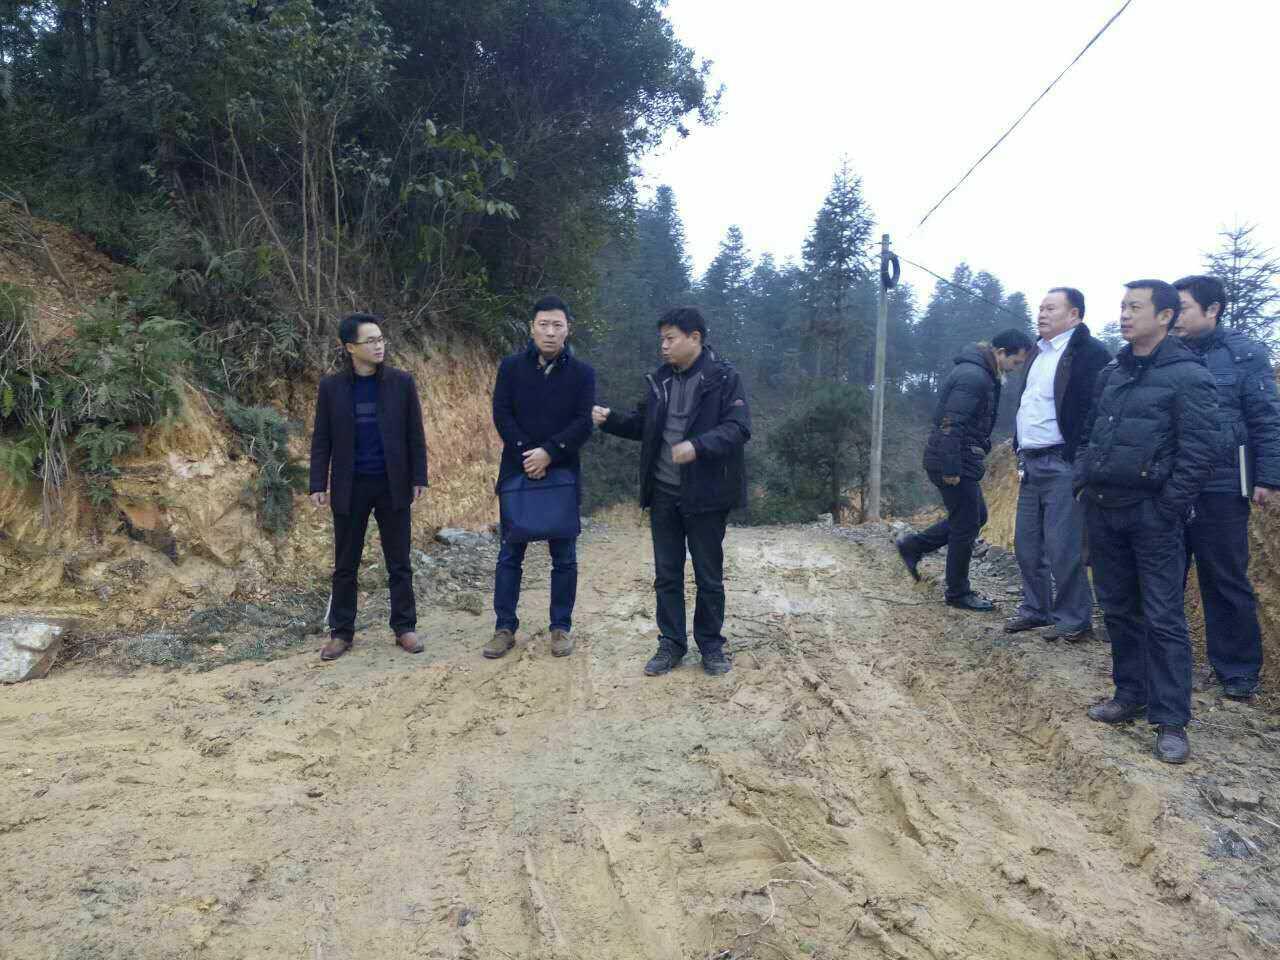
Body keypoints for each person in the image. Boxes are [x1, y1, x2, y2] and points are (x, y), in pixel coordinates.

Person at [1074, 280, 1220, 764]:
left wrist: (1166, 508)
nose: (1124, 314)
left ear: (1164, 316)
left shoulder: (1189, 375)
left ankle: (1171, 720)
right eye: (1122, 306)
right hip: (1103, 508)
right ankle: (1129, 694)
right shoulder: (1113, 372)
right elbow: (1089, 433)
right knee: (1117, 609)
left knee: (1163, 616)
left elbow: (1200, 452)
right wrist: (1083, 480)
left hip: (1153, 516)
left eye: (1135, 307)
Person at [592, 306, 750, 678]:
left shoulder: (723, 377)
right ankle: (671, 645)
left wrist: (697, 446)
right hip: (664, 493)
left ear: (695, 338)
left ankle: (710, 645)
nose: (663, 346)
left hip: (707, 496)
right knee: (667, 574)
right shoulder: (660, 379)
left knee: (708, 576)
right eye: (661, 339)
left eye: (670, 339)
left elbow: (738, 428)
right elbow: (644, 425)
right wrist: (611, 420)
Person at [1172, 274, 1280, 700]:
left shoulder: (1244, 354)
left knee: (1224, 578)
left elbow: (1266, 418)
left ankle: (1237, 671)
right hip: (1170, 485)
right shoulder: (1165, 352)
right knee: (1162, 577)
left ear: (1212, 309)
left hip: (1221, 485)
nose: (1174, 316)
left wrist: (1268, 478)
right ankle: (1162, 661)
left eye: (1182, 308)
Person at [309, 313, 429, 661]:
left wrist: (419, 476)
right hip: (351, 485)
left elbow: (415, 434)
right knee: (345, 564)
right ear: (350, 347)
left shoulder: (401, 383)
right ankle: (341, 633)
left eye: (380, 339)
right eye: (370, 341)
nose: (379, 346)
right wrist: (318, 482)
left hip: (392, 483)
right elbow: (322, 438)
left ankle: (404, 627)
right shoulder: (331, 387)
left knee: (399, 561)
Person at [484, 295, 596, 660]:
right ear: (532, 328)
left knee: (564, 556)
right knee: (509, 553)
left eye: (557, 325)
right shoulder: (511, 367)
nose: (550, 332)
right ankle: (504, 627)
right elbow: (502, 413)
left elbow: (583, 422)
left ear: (567, 329)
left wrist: (549, 452)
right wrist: (528, 453)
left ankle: (560, 627)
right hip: (517, 469)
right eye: (543, 324)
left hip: (562, 472)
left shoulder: (583, 374)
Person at [895, 329, 1034, 610]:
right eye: (1016, 362)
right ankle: (957, 592)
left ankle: (914, 546)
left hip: (959, 457)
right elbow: (950, 422)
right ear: (1001, 352)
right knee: (967, 523)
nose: (1016, 368)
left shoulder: (982, 373)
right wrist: (951, 467)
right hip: (952, 459)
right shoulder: (974, 376)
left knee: (974, 516)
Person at [1006, 288, 1113, 642]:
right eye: (1040, 308)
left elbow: (1097, 411)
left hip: (1062, 461)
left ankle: (1074, 619)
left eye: (1051, 308)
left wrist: (1080, 458)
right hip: (1030, 461)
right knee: (1026, 544)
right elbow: (1029, 403)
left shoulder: (1090, 353)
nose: (1041, 314)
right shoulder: (1038, 351)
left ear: (1074, 315)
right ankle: (1035, 609)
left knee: (1063, 546)